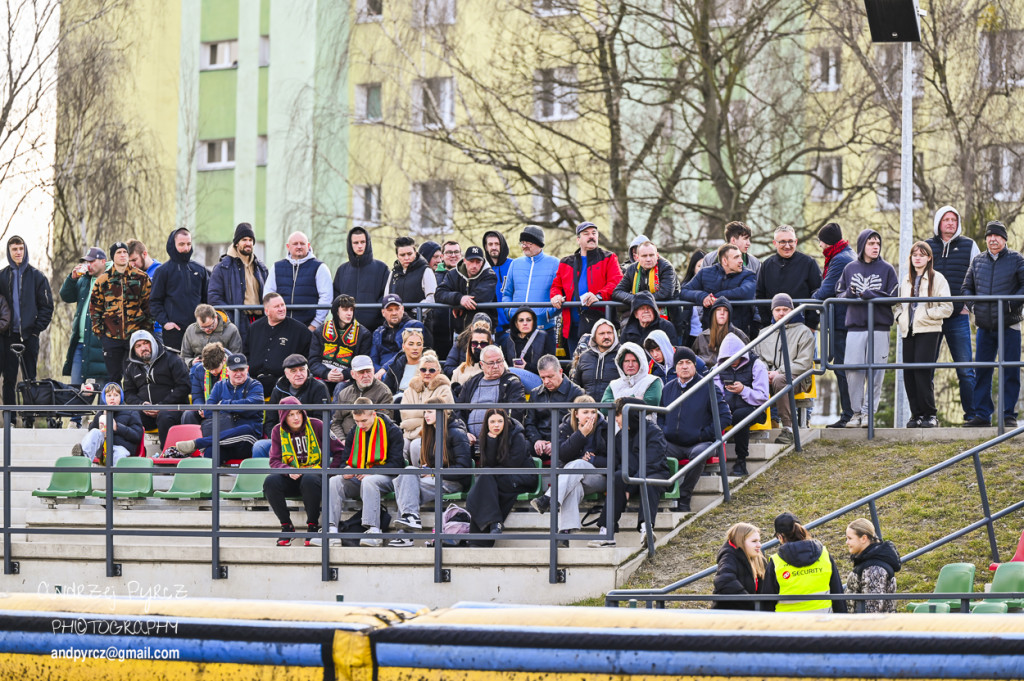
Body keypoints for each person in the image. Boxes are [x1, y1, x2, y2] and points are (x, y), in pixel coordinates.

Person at [389, 397, 473, 546]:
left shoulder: (457, 433)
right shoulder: (430, 433)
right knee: (407, 473)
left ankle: (405, 535)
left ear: (442, 412)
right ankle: (410, 520)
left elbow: (464, 468)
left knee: (405, 485)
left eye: (429, 412)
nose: (426, 415)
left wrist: (434, 472)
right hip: (435, 479)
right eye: (425, 412)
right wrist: (426, 470)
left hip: (452, 481)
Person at [964, 221, 1024, 428]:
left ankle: (1008, 416)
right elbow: (966, 288)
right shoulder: (978, 261)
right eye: (989, 236)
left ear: (1004, 239)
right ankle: (982, 415)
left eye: (997, 236)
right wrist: (974, 307)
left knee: (1010, 371)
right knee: (982, 371)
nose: (993, 239)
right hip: (985, 326)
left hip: (1009, 325)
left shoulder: (1016, 259)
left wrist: (1010, 305)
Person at [587, 397, 670, 548]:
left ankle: (646, 529)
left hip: (654, 473)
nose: (616, 419)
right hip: (630, 476)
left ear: (630, 414)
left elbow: (651, 464)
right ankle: (607, 532)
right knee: (618, 477)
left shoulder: (653, 432)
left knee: (648, 482)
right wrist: (594, 460)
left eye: (618, 415)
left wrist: (629, 487)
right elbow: (616, 463)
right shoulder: (620, 436)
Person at [837, 229, 899, 428]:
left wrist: (872, 294)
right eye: (871, 243)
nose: (875, 247)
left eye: (877, 243)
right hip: (855, 327)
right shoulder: (850, 268)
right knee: (853, 371)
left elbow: (894, 296)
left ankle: (868, 413)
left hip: (879, 327)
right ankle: (856, 413)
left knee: (876, 372)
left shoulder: (887, 269)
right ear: (862, 245)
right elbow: (838, 294)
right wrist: (849, 293)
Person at [658, 347, 732, 512]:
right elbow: (660, 416)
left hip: (699, 443)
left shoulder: (708, 387)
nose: (684, 366)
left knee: (699, 453)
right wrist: (664, 430)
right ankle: (660, 496)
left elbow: (725, 417)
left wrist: (702, 434)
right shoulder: (667, 388)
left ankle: (684, 497)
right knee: (653, 449)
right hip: (672, 443)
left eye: (688, 363)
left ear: (694, 365)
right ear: (675, 367)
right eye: (680, 363)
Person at [323, 397, 405, 546]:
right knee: (334, 481)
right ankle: (330, 529)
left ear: (374, 414)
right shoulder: (354, 431)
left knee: (369, 480)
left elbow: (397, 465)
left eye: (364, 421)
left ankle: (373, 530)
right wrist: (345, 469)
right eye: (357, 421)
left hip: (388, 478)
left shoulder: (392, 431)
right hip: (360, 476)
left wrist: (372, 471)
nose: (360, 425)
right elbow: (345, 460)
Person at [264, 396, 345, 547]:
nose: (296, 418)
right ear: (283, 417)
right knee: (270, 481)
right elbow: (274, 461)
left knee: (309, 479)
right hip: (292, 477)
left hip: (315, 477)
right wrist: (288, 470)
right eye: (290, 415)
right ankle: (286, 526)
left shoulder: (317, 425)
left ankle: (312, 526)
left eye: (298, 413)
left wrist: (329, 472)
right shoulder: (277, 431)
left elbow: (340, 451)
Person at [925, 206, 979, 424]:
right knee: (926, 369)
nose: (950, 223)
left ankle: (972, 416)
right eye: (946, 219)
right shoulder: (926, 246)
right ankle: (926, 415)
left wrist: (969, 305)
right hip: (932, 317)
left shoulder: (969, 245)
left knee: (966, 370)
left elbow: (979, 276)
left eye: (953, 220)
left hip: (958, 316)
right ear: (939, 223)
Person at [530, 396, 607, 545]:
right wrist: (580, 435)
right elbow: (562, 455)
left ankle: (548, 498)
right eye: (586, 412)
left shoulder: (605, 428)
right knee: (573, 487)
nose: (590, 416)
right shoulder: (565, 428)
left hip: (598, 477)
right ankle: (564, 534)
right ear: (576, 414)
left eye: (593, 412)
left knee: (578, 464)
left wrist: (592, 460)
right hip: (572, 479)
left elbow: (614, 460)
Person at [894, 242, 952, 428]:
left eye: (922, 255)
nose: (917, 258)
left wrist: (927, 314)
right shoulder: (906, 279)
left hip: (928, 330)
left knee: (922, 372)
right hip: (908, 331)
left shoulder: (938, 278)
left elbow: (947, 307)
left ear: (929, 258)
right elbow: (897, 304)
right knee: (909, 374)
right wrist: (900, 317)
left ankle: (930, 414)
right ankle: (916, 415)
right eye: (914, 255)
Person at [174, 353, 264, 463]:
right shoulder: (219, 386)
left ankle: (197, 443)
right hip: (223, 439)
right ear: (227, 370)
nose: (238, 373)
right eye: (235, 370)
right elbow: (207, 411)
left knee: (246, 429)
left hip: (246, 441)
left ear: (247, 369)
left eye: (241, 369)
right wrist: (231, 408)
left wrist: (223, 405)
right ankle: (204, 473)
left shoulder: (255, 385)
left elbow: (251, 406)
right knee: (210, 451)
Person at [551, 221, 623, 350]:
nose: (591, 236)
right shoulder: (566, 262)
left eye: (594, 233)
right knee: (575, 361)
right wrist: (556, 295)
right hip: (572, 325)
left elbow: (616, 282)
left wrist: (599, 296)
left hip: (600, 325)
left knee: (600, 360)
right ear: (578, 239)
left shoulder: (609, 258)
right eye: (586, 233)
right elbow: (556, 286)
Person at [88, 241, 153, 383]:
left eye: (125, 252)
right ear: (113, 257)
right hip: (111, 337)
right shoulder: (102, 281)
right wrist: (101, 333)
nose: (123, 255)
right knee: (113, 378)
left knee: (136, 377)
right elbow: (95, 308)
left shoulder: (141, 277)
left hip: (135, 337)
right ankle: (115, 399)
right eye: (119, 253)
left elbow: (149, 306)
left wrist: (145, 330)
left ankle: (135, 398)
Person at [465, 408, 534, 544]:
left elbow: (513, 464)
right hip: (499, 478)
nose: (496, 425)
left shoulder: (517, 435)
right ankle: (493, 525)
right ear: (487, 423)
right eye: (492, 422)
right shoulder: (487, 437)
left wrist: (494, 466)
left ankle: (481, 537)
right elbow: (487, 464)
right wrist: (492, 442)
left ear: (505, 421)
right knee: (487, 479)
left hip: (522, 477)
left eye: (500, 421)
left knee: (483, 485)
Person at [755, 293, 815, 445]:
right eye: (777, 310)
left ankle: (788, 428)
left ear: (792, 310)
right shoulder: (764, 333)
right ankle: (750, 427)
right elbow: (757, 358)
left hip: (797, 378)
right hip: (769, 376)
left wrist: (779, 372)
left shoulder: (804, 332)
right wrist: (765, 372)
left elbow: (804, 362)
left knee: (780, 380)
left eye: (785, 309)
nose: (781, 313)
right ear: (772, 311)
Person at [812, 222, 856, 428]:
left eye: (821, 241)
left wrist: (812, 298)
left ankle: (848, 415)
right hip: (845, 319)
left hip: (842, 321)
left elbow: (826, 290)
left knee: (842, 368)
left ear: (828, 242)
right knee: (845, 368)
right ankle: (850, 414)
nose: (820, 246)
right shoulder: (846, 254)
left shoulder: (839, 259)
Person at [0, 235, 54, 404]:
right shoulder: (2, 276)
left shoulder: (37, 276)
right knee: (9, 378)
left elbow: (47, 307)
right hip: (8, 336)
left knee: (30, 379)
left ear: (25, 250)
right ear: (9, 251)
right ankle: (10, 417)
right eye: (14, 249)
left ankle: (29, 415)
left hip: (30, 335)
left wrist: (36, 330)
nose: (18, 252)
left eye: (21, 248)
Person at [761, 512, 847, 613]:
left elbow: (767, 602)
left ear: (780, 537)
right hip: (822, 619)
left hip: (788, 621)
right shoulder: (824, 555)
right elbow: (837, 593)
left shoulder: (776, 562)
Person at [252, 353, 331, 458]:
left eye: (302, 370)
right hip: (283, 438)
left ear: (307, 370)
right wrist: (279, 439)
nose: (299, 374)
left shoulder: (319, 388)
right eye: (293, 371)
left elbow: (321, 420)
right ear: (286, 374)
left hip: (310, 439)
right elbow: (270, 421)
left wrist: (300, 438)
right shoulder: (278, 389)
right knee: (259, 446)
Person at [121, 330, 189, 447]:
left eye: (145, 343)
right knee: (128, 417)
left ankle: (168, 453)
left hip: (173, 409)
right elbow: (128, 393)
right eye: (138, 346)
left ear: (152, 342)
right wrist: (141, 405)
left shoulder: (172, 358)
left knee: (164, 416)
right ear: (133, 350)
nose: (143, 348)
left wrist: (162, 405)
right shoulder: (131, 368)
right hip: (145, 411)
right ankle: (129, 453)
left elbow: (184, 387)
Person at [713, 333, 768, 476]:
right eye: (727, 358)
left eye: (734, 357)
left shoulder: (757, 365)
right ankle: (712, 460)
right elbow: (715, 394)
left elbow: (763, 397)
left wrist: (743, 390)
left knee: (739, 416)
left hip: (754, 409)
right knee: (711, 416)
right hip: (728, 409)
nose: (731, 361)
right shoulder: (718, 368)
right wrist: (723, 403)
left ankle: (741, 461)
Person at [149, 228, 209, 355]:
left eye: (188, 244)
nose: (186, 248)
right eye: (181, 244)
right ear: (173, 244)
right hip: (173, 333)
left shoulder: (200, 270)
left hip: (199, 330)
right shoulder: (162, 271)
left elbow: (207, 300)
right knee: (175, 365)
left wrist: (205, 323)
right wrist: (166, 323)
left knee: (199, 364)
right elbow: (154, 302)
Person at [207, 222, 268, 344]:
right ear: (236, 243)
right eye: (244, 240)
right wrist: (232, 318)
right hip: (237, 321)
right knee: (240, 354)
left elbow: (269, 294)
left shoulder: (261, 268)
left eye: (250, 240)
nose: (248, 243)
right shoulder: (222, 268)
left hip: (260, 320)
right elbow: (214, 298)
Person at [680, 243, 756, 337]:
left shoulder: (749, 275)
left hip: (737, 333)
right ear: (725, 261)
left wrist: (715, 297)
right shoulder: (705, 273)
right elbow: (684, 291)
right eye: (736, 257)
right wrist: (703, 297)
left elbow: (745, 293)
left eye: (740, 256)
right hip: (709, 332)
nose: (741, 261)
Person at [245, 293, 313, 395]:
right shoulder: (254, 328)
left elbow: (309, 358)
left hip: (284, 384)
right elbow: (246, 354)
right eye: (277, 306)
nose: (281, 309)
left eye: (283, 305)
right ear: (267, 311)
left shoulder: (300, 330)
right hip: (253, 382)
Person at [756, 225, 822, 330]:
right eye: (782, 242)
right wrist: (767, 324)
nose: (787, 246)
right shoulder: (766, 265)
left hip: (803, 327)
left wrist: (811, 325)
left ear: (796, 242)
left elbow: (818, 293)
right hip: (773, 327)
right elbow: (760, 296)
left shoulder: (809, 263)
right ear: (774, 243)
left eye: (790, 241)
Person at [264, 231, 332, 332]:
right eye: (295, 244)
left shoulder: (320, 267)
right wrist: (272, 321)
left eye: (302, 243)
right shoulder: (276, 267)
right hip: (280, 327)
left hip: (308, 328)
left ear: (308, 245)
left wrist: (314, 325)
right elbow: (268, 296)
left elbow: (326, 298)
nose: (299, 246)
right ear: (288, 246)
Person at [456, 345, 526, 441]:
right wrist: (465, 433)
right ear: (482, 364)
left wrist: (495, 436)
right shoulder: (471, 383)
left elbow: (515, 415)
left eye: (499, 361)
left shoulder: (512, 383)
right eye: (491, 363)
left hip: (500, 440)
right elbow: (459, 411)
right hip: (469, 441)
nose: (496, 366)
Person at [60, 247, 108, 386]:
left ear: (103, 261)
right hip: (80, 344)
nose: (88, 265)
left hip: (101, 345)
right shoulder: (84, 280)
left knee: (103, 390)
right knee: (75, 390)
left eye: (92, 261)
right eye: (87, 262)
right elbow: (66, 296)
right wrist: (72, 278)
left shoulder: (112, 279)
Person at [524, 354, 586, 462]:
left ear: (560, 372)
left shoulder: (577, 393)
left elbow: (578, 426)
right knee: (518, 448)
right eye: (543, 377)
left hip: (565, 442)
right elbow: (529, 423)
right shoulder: (535, 393)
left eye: (550, 376)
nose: (546, 381)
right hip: (540, 442)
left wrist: (557, 443)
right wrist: (537, 440)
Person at [309, 294, 372, 393]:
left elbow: (362, 364)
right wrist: (326, 373)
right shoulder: (320, 331)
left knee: (341, 387)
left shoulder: (364, 334)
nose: (349, 313)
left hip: (348, 379)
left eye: (351, 310)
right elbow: (313, 362)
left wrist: (344, 375)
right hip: (323, 376)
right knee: (319, 386)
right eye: (345, 310)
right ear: (336, 311)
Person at [501, 225, 559, 333]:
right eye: (522, 242)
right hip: (518, 328)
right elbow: (507, 294)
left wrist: (547, 314)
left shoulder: (555, 263)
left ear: (539, 243)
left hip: (545, 328)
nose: (524, 246)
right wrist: (511, 312)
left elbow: (560, 294)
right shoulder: (515, 264)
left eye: (528, 243)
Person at [72, 382, 143, 465]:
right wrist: (96, 424)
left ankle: (117, 473)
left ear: (121, 397)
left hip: (121, 448)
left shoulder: (131, 412)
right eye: (109, 396)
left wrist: (117, 427)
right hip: (103, 450)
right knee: (95, 431)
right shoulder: (100, 413)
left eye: (116, 395)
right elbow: (91, 434)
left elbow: (137, 436)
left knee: (119, 454)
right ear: (105, 398)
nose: (112, 398)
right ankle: (83, 458)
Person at [398, 351, 453, 459]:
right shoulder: (409, 390)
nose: (427, 373)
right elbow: (404, 414)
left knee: (415, 445)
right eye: (423, 369)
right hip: (408, 434)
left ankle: (421, 470)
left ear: (438, 372)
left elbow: (443, 415)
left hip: (433, 434)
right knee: (401, 445)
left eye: (431, 370)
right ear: (419, 371)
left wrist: (411, 421)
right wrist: (426, 413)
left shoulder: (444, 389)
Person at [332, 226, 389, 330]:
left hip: (374, 328)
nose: (360, 246)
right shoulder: (342, 270)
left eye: (363, 242)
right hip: (346, 329)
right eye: (356, 243)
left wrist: (374, 315)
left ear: (368, 243)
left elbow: (386, 295)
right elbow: (336, 298)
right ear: (350, 244)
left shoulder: (382, 268)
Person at [330, 356, 393, 445]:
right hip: (345, 441)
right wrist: (342, 440)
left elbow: (383, 423)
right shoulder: (344, 393)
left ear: (373, 370)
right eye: (361, 372)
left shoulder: (384, 392)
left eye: (368, 371)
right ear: (353, 374)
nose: (366, 375)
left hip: (371, 442)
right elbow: (336, 422)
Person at [435, 245, 498, 334]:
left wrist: (460, 305)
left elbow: (481, 296)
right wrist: (459, 299)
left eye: (478, 262)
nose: (474, 265)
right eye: (471, 261)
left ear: (483, 262)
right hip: (459, 331)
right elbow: (439, 294)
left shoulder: (490, 275)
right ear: (464, 260)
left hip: (484, 330)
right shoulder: (453, 274)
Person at [612, 239, 678, 323]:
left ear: (657, 255)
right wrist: (636, 299)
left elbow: (665, 293)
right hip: (639, 315)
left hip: (668, 316)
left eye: (651, 255)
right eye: (644, 256)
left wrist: (640, 300)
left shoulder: (666, 267)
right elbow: (617, 292)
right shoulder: (632, 269)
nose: (648, 259)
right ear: (637, 258)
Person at [845, 518, 900, 613]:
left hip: (869, 622)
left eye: (850, 538)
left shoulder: (874, 569)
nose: (847, 542)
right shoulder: (867, 562)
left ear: (864, 538)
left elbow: (873, 610)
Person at [712, 522, 766, 610]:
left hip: (750, 615)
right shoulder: (729, 557)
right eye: (754, 541)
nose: (759, 545)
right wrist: (751, 604)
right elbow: (724, 581)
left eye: (759, 541)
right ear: (741, 541)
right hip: (729, 615)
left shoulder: (759, 558)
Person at [370, 294, 429, 374]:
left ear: (403, 309)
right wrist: (378, 373)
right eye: (390, 310)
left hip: (405, 371)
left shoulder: (414, 326)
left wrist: (385, 369)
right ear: (383, 312)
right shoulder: (378, 332)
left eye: (397, 309)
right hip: (380, 374)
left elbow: (406, 353)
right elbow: (373, 359)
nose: (394, 313)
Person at [571, 318, 620, 401]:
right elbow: (576, 386)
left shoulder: (622, 355)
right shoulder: (584, 357)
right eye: (602, 333)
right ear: (594, 337)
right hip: (588, 407)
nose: (606, 336)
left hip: (613, 406)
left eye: (609, 333)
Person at [602, 342, 663, 407]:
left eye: (634, 361)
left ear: (641, 362)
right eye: (626, 361)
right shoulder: (613, 385)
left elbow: (651, 403)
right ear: (620, 363)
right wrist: (635, 399)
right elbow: (604, 407)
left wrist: (617, 402)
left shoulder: (652, 381)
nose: (630, 365)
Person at [691, 299, 749, 366]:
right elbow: (693, 360)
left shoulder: (739, 335)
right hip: (707, 371)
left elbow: (750, 358)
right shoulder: (702, 337)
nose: (722, 313)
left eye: (726, 310)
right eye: (718, 310)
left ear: (729, 314)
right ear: (713, 313)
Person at [500, 306, 555, 376]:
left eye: (528, 320)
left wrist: (527, 367)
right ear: (516, 324)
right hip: (513, 377)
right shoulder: (508, 339)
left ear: (533, 322)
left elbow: (549, 366)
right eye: (521, 320)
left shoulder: (543, 337)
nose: (525, 323)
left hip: (537, 377)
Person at [385, 236, 436, 309]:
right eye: (402, 255)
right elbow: (387, 299)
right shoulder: (393, 273)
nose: (406, 258)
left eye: (409, 254)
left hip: (419, 316)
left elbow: (432, 298)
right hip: (396, 316)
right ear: (397, 256)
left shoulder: (426, 270)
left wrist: (416, 312)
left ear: (415, 253)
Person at [184, 342, 227, 427]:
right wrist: (201, 408)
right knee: (188, 414)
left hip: (225, 410)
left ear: (224, 361)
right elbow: (197, 395)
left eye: (215, 368)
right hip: (206, 408)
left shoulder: (234, 370)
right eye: (209, 369)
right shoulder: (199, 369)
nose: (213, 372)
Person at [127, 239, 162, 338]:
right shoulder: (131, 275)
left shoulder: (160, 272)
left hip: (156, 330)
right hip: (136, 330)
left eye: (134, 260)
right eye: (129, 261)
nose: (132, 264)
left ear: (144, 254)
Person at [381, 327, 426, 396]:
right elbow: (386, 393)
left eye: (419, 344)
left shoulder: (430, 366)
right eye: (411, 344)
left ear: (422, 347)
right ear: (403, 346)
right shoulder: (395, 366)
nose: (415, 348)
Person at [482, 231, 512, 333]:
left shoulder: (513, 265)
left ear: (502, 245)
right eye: (490, 244)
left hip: (510, 326)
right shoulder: (481, 267)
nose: (494, 247)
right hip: (487, 327)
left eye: (497, 244)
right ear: (486, 247)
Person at [677, 249, 707, 348]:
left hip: (708, 335)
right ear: (693, 268)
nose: (702, 269)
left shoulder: (713, 286)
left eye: (705, 266)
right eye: (699, 266)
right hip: (689, 335)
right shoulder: (684, 288)